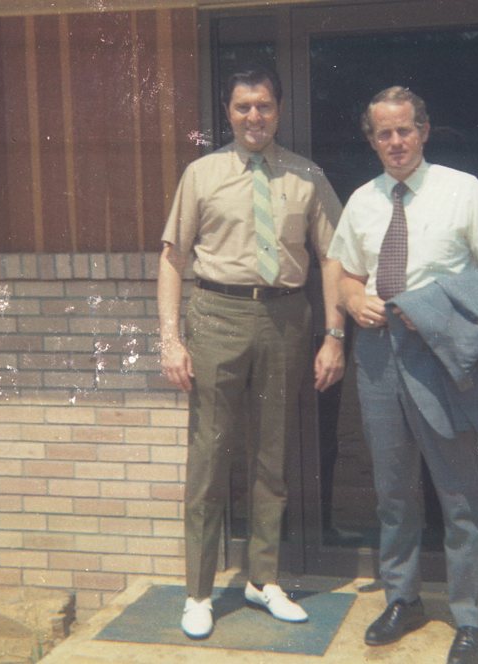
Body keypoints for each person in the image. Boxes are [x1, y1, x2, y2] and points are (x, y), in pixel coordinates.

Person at [327, 86, 478, 664]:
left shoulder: (463, 190)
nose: (396, 142)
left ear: (424, 131)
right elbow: (346, 272)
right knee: (392, 489)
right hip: (377, 357)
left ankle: (474, 618)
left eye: (405, 130)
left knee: (459, 491)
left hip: (441, 355)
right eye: (384, 133)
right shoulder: (362, 200)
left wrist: (433, 304)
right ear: (372, 140)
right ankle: (402, 597)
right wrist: (352, 298)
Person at [157, 65, 346, 640]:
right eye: (243, 107)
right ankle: (198, 592)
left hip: (286, 319)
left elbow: (334, 257)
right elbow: (172, 258)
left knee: (271, 456)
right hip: (217, 316)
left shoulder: (307, 176)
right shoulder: (202, 174)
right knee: (210, 456)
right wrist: (170, 339)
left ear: (279, 110)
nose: (254, 116)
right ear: (228, 112)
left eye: (264, 105)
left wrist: (334, 335)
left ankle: (263, 580)